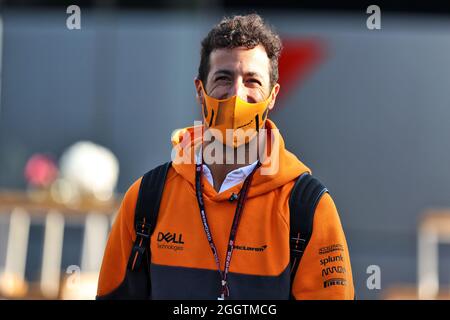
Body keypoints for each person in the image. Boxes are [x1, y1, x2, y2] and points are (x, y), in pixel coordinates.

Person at [97, 13, 354, 300]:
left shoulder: (308, 208)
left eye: (252, 81)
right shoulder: (146, 199)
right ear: (200, 90)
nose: (236, 94)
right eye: (223, 77)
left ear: (273, 96)